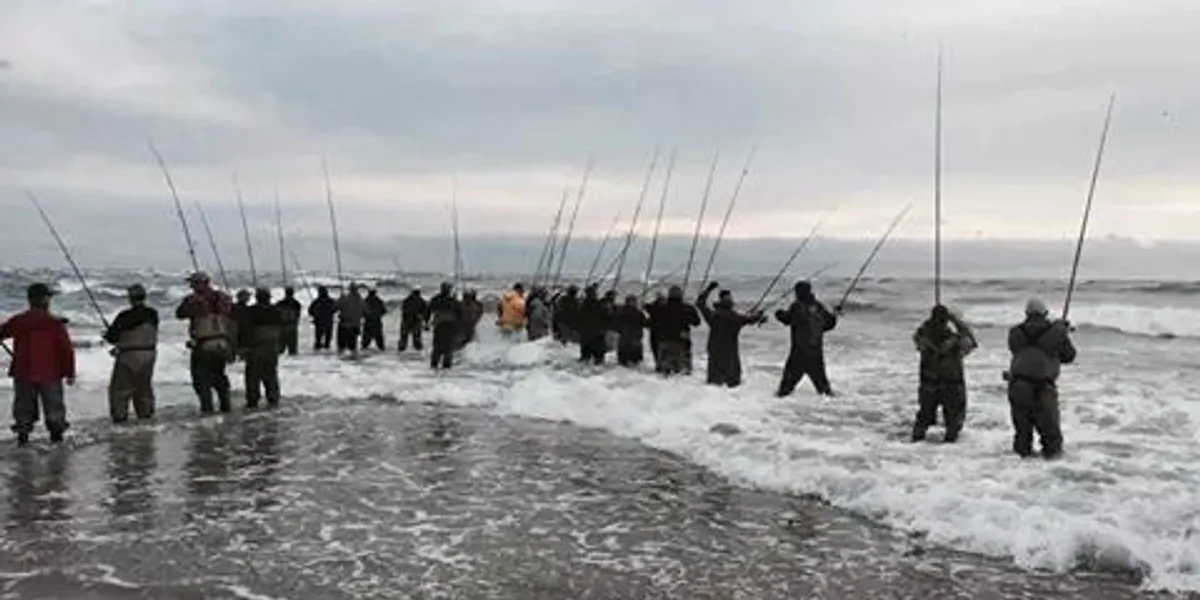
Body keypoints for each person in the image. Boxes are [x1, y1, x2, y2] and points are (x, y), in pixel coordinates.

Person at [0, 283, 75, 446]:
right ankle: (56, 441)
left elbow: (2, 332)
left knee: (23, 409)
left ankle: (23, 440)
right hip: (50, 372)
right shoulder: (55, 323)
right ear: (43, 299)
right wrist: (70, 372)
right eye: (48, 297)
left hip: (23, 371)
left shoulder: (19, 321)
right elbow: (66, 350)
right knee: (54, 409)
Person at [1005, 298, 1076, 459]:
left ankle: (1018, 471)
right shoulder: (1056, 332)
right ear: (1045, 313)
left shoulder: (1015, 332)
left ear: (1026, 314)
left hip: (1017, 386)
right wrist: (1062, 333)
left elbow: (1015, 348)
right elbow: (1069, 356)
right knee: (1051, 437)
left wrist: (1057, 331)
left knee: (1022, 434)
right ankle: (1050, 470)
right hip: (1043, 388)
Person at [911, 305, 977, 443]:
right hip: (951, 386)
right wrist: (956, 320)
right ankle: (948, 451)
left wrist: (929, 323)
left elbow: (918, 334)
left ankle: (916, 447)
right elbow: (972, 341)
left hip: (929, 385)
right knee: (954, 424)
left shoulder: (923, 339)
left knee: (923, 420)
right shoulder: (955, 342)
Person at [176, 272, 234, 414]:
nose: (191, 286)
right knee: (219, 377)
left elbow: (179, 314)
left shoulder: (192, 300)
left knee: (201, 380)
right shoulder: (223, 298)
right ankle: (226, 407)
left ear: (201, 284)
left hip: (204, 345)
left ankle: (207, 409)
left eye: (194, 283)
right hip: (222, 343)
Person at [103, 284, 159, 424]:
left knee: (120, 391)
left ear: (130, 298)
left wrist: (108, 333)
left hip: (128, 356)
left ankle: (120, 419)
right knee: (144, 388)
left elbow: (112, 337)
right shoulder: (153, 314)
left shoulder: (125, 316)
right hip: (149, 356)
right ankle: (146, 416)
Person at [775, 281, 837, 397]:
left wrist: (778, 313)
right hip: (816, 354)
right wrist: (834, 316)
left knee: (784, 391)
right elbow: (829, 325)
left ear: (798, 292)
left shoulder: (797, 306)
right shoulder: (818, 306)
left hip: (798, 354)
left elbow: (787, 319)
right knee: (824, 390)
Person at [697, 282, 764, 388]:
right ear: (731, 303)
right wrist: (759, 316)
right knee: (732, 385)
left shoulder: (713, 316)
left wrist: (708, 289)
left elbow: (700, 303)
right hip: (730, 356)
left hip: (714, 354)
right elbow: (751, 320)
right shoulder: (736, 318)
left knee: (713, 385)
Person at [240, 288, 283, 409]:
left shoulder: (251, 311)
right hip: (272, 348)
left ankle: (253, 401)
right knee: (271, 374)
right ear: (269, 298)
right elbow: (281, 330)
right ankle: (273, 399)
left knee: (253, 376)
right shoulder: (276, 311)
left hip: (255, 348)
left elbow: (244, 330)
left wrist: (242, 347)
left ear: (257, 298)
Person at [648, 286, 701, 375]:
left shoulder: (661, 308)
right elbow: (696, 322)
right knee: (683, 373)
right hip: (682, 342)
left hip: (665, 341)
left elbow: (651, 313)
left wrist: (657, 300)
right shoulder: (687, 308)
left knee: (665, 373)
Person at [428, 282, 462, 370]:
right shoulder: (453, 301)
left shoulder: (435, 299)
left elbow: (428, 310)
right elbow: (460, 314)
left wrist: (427, 322)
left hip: (439, 326)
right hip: (450, 327)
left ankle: (434, 366)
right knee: (448, 348)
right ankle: (446, 368)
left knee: (437, 347)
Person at [576, 284, 612, 365]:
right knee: (599, 360)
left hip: (585, 334)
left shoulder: (582, 305)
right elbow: (606, 317)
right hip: (597, 334)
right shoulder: (599, 305)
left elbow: (577, 319)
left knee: (585, 358)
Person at [614, 294, 649, 367]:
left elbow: (616, 323)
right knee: (635, 357)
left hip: (624, 336)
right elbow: (645, 323)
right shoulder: (638, 312)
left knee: (623, 356)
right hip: (635, 337)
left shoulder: (621, 311)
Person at [336, 284, 365, 358]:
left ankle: (341, 361)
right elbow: (365, 313)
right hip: (355, 326)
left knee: (341, 347)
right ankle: (353, 359)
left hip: (344, 325)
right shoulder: (361, 301)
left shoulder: (345, 299)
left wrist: (340, 298)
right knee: (353, 347)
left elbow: (335, 307)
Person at [399, 287, 429, 352]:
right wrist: (426, 323)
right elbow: (425, 313)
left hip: (406, 321)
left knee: (403, 340)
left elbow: (403, 310)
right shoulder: (421, 301)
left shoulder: (407, 300)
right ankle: (418, 355)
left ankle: (400, 353)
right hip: (416, 322)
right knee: (417, 340)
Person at [307, 286, 337, 351]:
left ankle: (317, 350)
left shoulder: (316, 302)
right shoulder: (331, 301)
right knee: (327, 341)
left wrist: (315, 315)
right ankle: (327, 350)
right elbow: (335, 309)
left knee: (318, 340)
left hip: (319, 322)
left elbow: (310, 311)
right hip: (328, 322)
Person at [275, 287, 302, 356]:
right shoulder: (296, 304)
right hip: (292, 327)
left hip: (282, 328)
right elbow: (297, 315)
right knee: (292, 351)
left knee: (280, 350)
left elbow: (275, 315)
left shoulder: (279, 304)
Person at [643, 292, 666, 370]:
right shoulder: (667, 308)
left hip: (655, 332)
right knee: (661, 349)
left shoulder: (653, 308)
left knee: (656, 349)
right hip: (663, 332)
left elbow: (648, 321)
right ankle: (662, 365)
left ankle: (659, 365)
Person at [231, 289, 252, 359]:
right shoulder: (247, 310)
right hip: (241, 335)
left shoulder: (233, 307)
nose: (248, 298)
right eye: (247, 296)